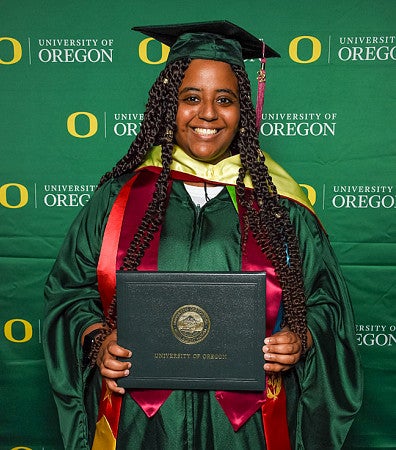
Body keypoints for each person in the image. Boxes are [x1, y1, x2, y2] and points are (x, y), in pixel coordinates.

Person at [43, 21, 363, 450]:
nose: (207, 114)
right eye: (190, 98)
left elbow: (327, 303)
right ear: (167, 106)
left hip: (249, 425)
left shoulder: (279, 204)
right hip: (141, 421)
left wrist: (301, 339)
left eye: (225, 100)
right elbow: (69, 291)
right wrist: (98, 340)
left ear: (243, 110)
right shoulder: (118, 198)